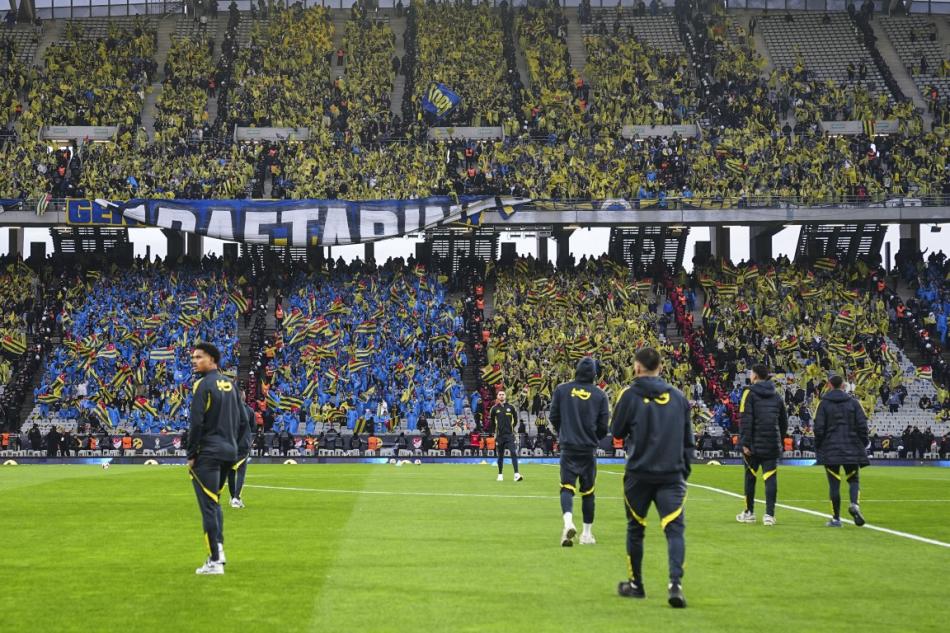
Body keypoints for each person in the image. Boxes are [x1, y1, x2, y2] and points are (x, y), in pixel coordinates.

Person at [611, 348, 693, 608]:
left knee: (636, 529)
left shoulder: (628, 395)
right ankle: (675, 585)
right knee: (674, 530)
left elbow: (616, 431)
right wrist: (683, 472)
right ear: (660, 367)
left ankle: (636, 585)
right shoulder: (678, 397)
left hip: (639, 473)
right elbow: (688, 441)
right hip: (671, 474)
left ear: (636, 367)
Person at [187, 342, 247, 576]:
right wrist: (234, 447)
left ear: (212, 359)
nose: (194, 361)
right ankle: (218, 554)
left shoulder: (202, 385)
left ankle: (215, 560)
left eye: (199, 357)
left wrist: (191, 454)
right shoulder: (231, 385)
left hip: (208, 454)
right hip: (229, 452)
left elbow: (196, 422)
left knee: (209, 506)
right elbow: (244, 421)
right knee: (215, 503)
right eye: (193, 357)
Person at [549, 357, 609, 547]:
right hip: (588, 449)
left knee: (567, 487)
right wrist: (593, 438)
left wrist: (564, 432)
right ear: (594, 374)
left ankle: (568, 523)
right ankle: (586, 534)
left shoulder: (562, 390)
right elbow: (603, 426)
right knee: (588, 492)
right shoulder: (600, 395)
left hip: (568, 446)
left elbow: (553, 416)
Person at [814, 374, 869, 527]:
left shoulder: (823, 404)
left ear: (829, 385)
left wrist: (818, 446)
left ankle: (836, 519)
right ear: (843, 386)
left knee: (834, 484)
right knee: (853, 479)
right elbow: (862, 426)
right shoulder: (854, 403)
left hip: (831, 450)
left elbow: (818, 428)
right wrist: (863, 443)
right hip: (852, 448)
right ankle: (854, 504)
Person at [736, 364, 788, 527]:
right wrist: (779, 439)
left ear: (755, 376)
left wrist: (745, 443)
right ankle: (769, 515)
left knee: (750, 478)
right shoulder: (776, 395)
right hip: (771, 443)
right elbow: (784, 421)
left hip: (753, 444)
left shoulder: (749, 393)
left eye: (751, 373)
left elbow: (745, 419)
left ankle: (749, 512)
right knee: (770, 478)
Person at [227, 401, 255, 509]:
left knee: (231, 471)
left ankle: (232, 496)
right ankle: (236, 498)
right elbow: (253, 426)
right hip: (242, 445)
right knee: (241, 472)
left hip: (230, 444)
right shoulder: (249, 410)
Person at [489, 390, 522, 482]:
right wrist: (495, 432)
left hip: (510, 435)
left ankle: (516, 474)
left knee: (513, 452)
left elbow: (515, 420)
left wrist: (511, 428)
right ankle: (500, 475)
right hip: (499, 436)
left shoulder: (511, 407)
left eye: (503, 394)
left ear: (505, 396)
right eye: (500, 394)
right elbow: (492, 422)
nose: (501, 396)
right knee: (500, 455)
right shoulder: (494, 409)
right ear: (497, 396)